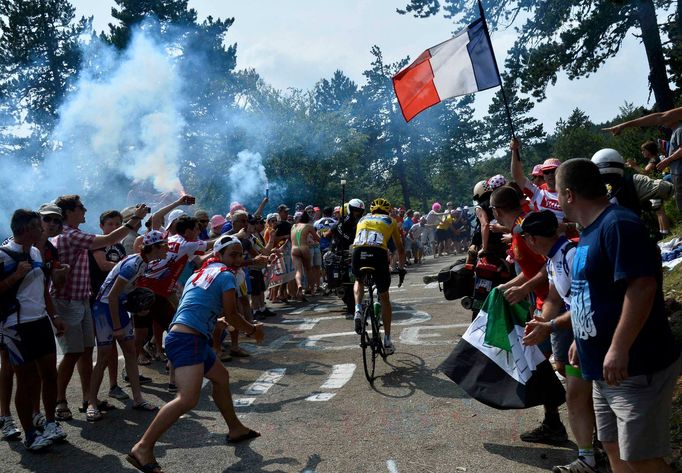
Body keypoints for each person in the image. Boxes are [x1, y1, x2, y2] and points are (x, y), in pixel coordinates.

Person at [557, 159, 680, 473]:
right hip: (603, 371)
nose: (557, 200)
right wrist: (581, 338)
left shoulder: (618, 224)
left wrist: (618, 347)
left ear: (569, 194)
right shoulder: (589, 231)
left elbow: (641, 286)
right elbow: (592, 292)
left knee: (640, 457)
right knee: (613, 446)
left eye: (558, 192)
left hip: (635, 367)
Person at [127, 236, 265, 473]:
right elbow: (232, 314)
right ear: (219, 255)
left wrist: (214, 321)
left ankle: (235, 428)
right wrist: (252, 330)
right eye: (232, 254)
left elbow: (193, 304)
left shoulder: (199, 274)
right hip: (187, 340)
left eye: (240, 254)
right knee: (187, 399)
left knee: (221, 378)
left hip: (189, 336)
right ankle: (143, 447)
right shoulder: (225, 276)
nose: (237, 259)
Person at [51, 195, 148, 422]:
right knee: (73, 353)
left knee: (85, 351)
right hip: (68, 301)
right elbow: (110, 239)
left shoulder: (72, 233)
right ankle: (60, 401)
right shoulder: (70, 234)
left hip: (83, 299)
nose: (84, 209)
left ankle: (88, 398)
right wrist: (135, 218)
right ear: (68, 213)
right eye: (80, 207)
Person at [520, 211, 599, 472]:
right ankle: (589, 455)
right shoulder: (554, 258)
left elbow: (586, 303)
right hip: (579, 332)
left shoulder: (571, 256)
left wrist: (550, 326)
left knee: (585, 395)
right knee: (577, 395)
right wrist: (540, 324)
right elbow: (554, 298)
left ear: (531, 239)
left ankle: (596, 452)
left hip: (591, 333)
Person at [490, 186, 568, 445]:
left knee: (563, 368)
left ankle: (594, 432)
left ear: (498, 210)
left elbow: (550, 264)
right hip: (543, 303)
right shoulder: (517, 231)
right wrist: (510, 286)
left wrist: (523, 287)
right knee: (538, 363)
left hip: (557, 304)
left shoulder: (525, 231)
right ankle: (553, 423)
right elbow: (533, 268)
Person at [0, 210, 68, 450]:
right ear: (27, 229)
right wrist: (15, 276)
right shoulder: (3, 255)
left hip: (40, 322)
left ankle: (50, 424)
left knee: (49, 374)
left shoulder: (37, 251)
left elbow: (43, 289)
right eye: (39, 226)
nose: (43, 230)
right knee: (26, 380)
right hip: (15, 326)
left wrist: (55, 316)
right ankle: (29, 434)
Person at [86, 231, 168, 422]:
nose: (166, 248)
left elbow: (125, 293)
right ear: (154, 248)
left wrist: (137, 309)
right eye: (163, 245)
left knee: (130, 352)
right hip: (103, 309)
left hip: (116, 307)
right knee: (104, 356)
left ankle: (138, 399)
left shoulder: (143, 262)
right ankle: (91, 402)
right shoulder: (133, 265)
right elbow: (112, 295)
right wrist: (116, 327)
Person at [351, 198, 405, 355]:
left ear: (372, 211)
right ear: (387, 211)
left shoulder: (362, 219)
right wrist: (401, 269)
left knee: (358, 280)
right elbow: (400, 250)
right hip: (378, 254)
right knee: (384, 298)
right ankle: (387, 341)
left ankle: (357, 310)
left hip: (358, 253)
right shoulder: (391, 220)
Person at [604, 107, 682, 211]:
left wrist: (634, 166)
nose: (661, 123)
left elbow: (645, 172)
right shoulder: (674, 132)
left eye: (643, 150)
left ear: (649, 151)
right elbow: (659, 117)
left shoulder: (653, 160)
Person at [88, 210, 129, 402]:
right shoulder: (98, 245)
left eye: (117, 224)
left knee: (115, 346)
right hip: (98, 302)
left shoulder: (119, 247)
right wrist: (124, 264)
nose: (113, 227)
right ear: (102, 226)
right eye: (110, 224)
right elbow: (104, 265)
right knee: (105, 348)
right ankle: (91, 396)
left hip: (116, 300)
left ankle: (114, 385)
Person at [290, 211, 320, 300]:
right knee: (308, 269)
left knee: (298, 271)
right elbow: (317, 238)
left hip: (294, 249)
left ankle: (299, 286)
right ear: (308, 220)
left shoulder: (293, 226)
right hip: (304, 248)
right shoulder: (308, 226)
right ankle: (312, 290)